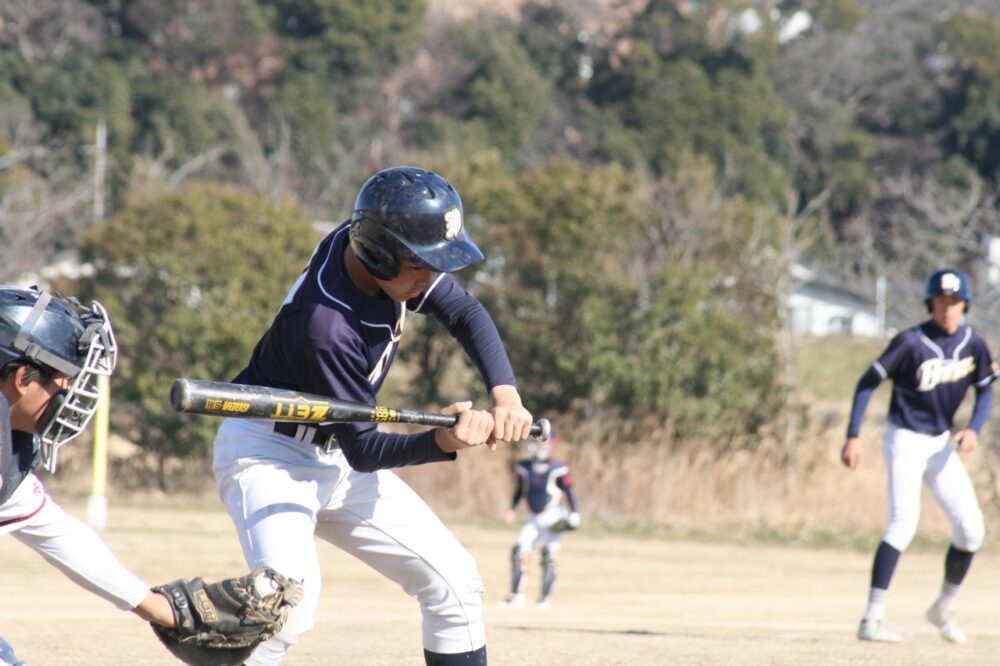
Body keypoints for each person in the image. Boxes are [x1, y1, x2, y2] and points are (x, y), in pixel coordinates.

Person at [212, 166, 535, 665]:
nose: (432, 279)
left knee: (455, 583)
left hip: (333, 447)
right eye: (422, 266)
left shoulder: (364, 244)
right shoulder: (326, 327)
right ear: (380, 254)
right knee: (284, 613)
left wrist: (506, 395)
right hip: (269, 455)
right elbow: (365, 450)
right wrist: (444, 442)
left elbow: (465, 313)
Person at [0, 288, 189, 655]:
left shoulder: (13, 441)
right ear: (23, 377)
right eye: (63, 378)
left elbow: (56, 534)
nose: (68, 390)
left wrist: (158, 609)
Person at [842, 268, 996, 644]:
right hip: (904, 439)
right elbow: (867, 382)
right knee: (903, 522)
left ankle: (943, 607)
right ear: (931, 303)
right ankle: (872, 618)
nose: (948, 309)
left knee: (971, 529)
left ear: (964, 306)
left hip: (940, 443)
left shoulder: (973, 343)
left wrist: (974, 428)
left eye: (955, 302)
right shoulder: (910, 342)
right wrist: (853, 435)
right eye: (942, 302)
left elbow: (986, 389)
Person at [500, 431, 579, 611]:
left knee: (549, 556)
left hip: (552, 517)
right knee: (519, 551)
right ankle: (517, 596)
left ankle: (545, 598)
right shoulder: (524, 467)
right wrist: (512, 508)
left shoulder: (558, 468)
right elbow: (520, 490)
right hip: (532, 518)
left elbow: (569, 492)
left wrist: (574, 513)